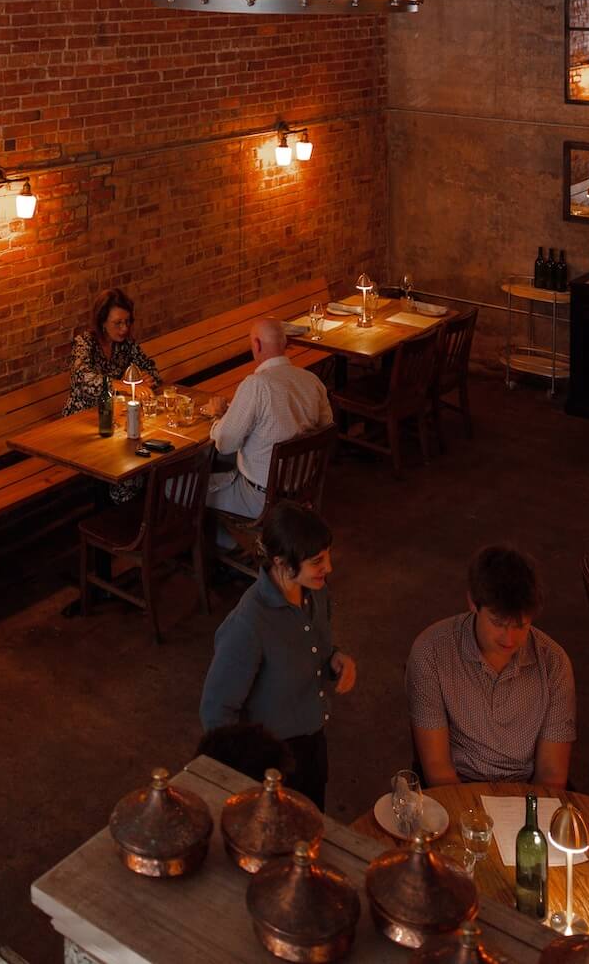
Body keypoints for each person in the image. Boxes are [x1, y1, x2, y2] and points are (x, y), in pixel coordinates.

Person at [199, 501, 356, 810]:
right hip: (271, 762)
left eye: (327, 555)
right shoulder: (249, 624)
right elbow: (215, 711)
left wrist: (335, 659)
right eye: (317, 561)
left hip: (313, 744)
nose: (328, 567)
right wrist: (246, 775)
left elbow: (315, 647)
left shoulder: (316, 591)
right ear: (281, 563)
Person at [405, 544, 576, 788]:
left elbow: (551, 774)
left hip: (526, 793)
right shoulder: (432, 652)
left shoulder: (553, 664)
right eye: (498, 623)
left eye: (520, 626)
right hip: (459, 788)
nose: (509, 639)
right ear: (473, 603)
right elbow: (437, 768)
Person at [206, 317, 333, 519]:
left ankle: (229, 536)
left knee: (176, 488)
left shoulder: (256, 386)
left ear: (256, 345)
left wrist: (217, 416)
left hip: (260, 500)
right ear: (285, 343)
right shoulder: (312, 380)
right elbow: (327, 428)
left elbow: (224, 444)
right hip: (301, 489)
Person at [62, 288, 161, 417]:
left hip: (115, 413)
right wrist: (124, 386)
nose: (124, 328)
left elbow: (153, 372)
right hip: (82, 416)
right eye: (118, 323)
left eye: (127, 321)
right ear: (102, 322)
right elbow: (83, 380)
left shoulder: (127, 344)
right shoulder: (84, 343)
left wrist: (147, 379)